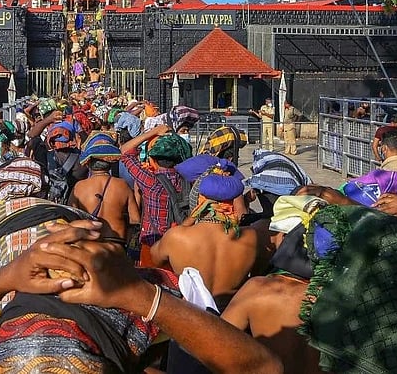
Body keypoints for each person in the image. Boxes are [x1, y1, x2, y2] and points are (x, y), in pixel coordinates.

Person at [0, 221, 283, 373]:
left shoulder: (178, 237)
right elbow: (265, 368)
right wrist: (143, 297)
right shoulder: (248, 239)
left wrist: (1, 278)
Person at [149, 170, 273, 309]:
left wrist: (188, 221)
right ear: (232, 203)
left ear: (201, 198)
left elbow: (155, 257)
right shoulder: (251, 236)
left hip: (191, 313)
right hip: (230, 312)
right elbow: (257, 273)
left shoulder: (177, 236)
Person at [120, 124, 193, 266]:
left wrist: (154, 131)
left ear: (153, 159)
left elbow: (125, 151)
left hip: (153, 244)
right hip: (183, 245)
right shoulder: (189, 180)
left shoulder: (151, 182)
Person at [68, 132, 139, 240]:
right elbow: (135, 219)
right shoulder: (122, 185)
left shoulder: (79, 187)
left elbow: (71, 219)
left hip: (90, 243)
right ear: (110, 163)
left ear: (88, 163)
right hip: (117, 243)